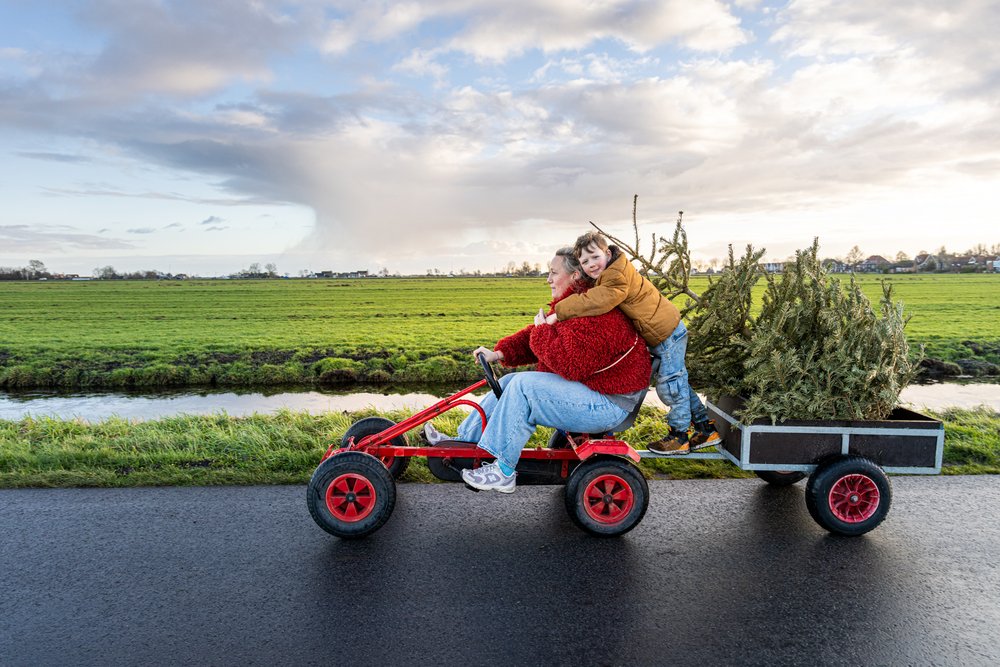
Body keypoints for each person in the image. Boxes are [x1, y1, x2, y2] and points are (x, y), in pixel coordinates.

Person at [423, 247, 651, 493]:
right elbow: (541, 338)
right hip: (596, 391)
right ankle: (464, 443)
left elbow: (569, 364)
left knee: (524, 387)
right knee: (511, 381)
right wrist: (499, 353)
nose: (548, 278)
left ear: (575, 277)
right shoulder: (577, 304)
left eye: (554, 272)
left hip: (610, 404)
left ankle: (504, 470)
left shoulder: (595, 313)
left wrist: (542, 330)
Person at [551, 231, 720, 455]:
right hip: (662, 333)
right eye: (585, 261)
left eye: (595, 257)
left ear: (607, 253)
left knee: (671, 386)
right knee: (679, 382)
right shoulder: (608, 273)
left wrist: (559, 312)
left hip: (666, 333)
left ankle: (679, 437)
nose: (591, 264)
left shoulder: (616, 275)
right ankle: (705, 429)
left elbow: (599, 300)